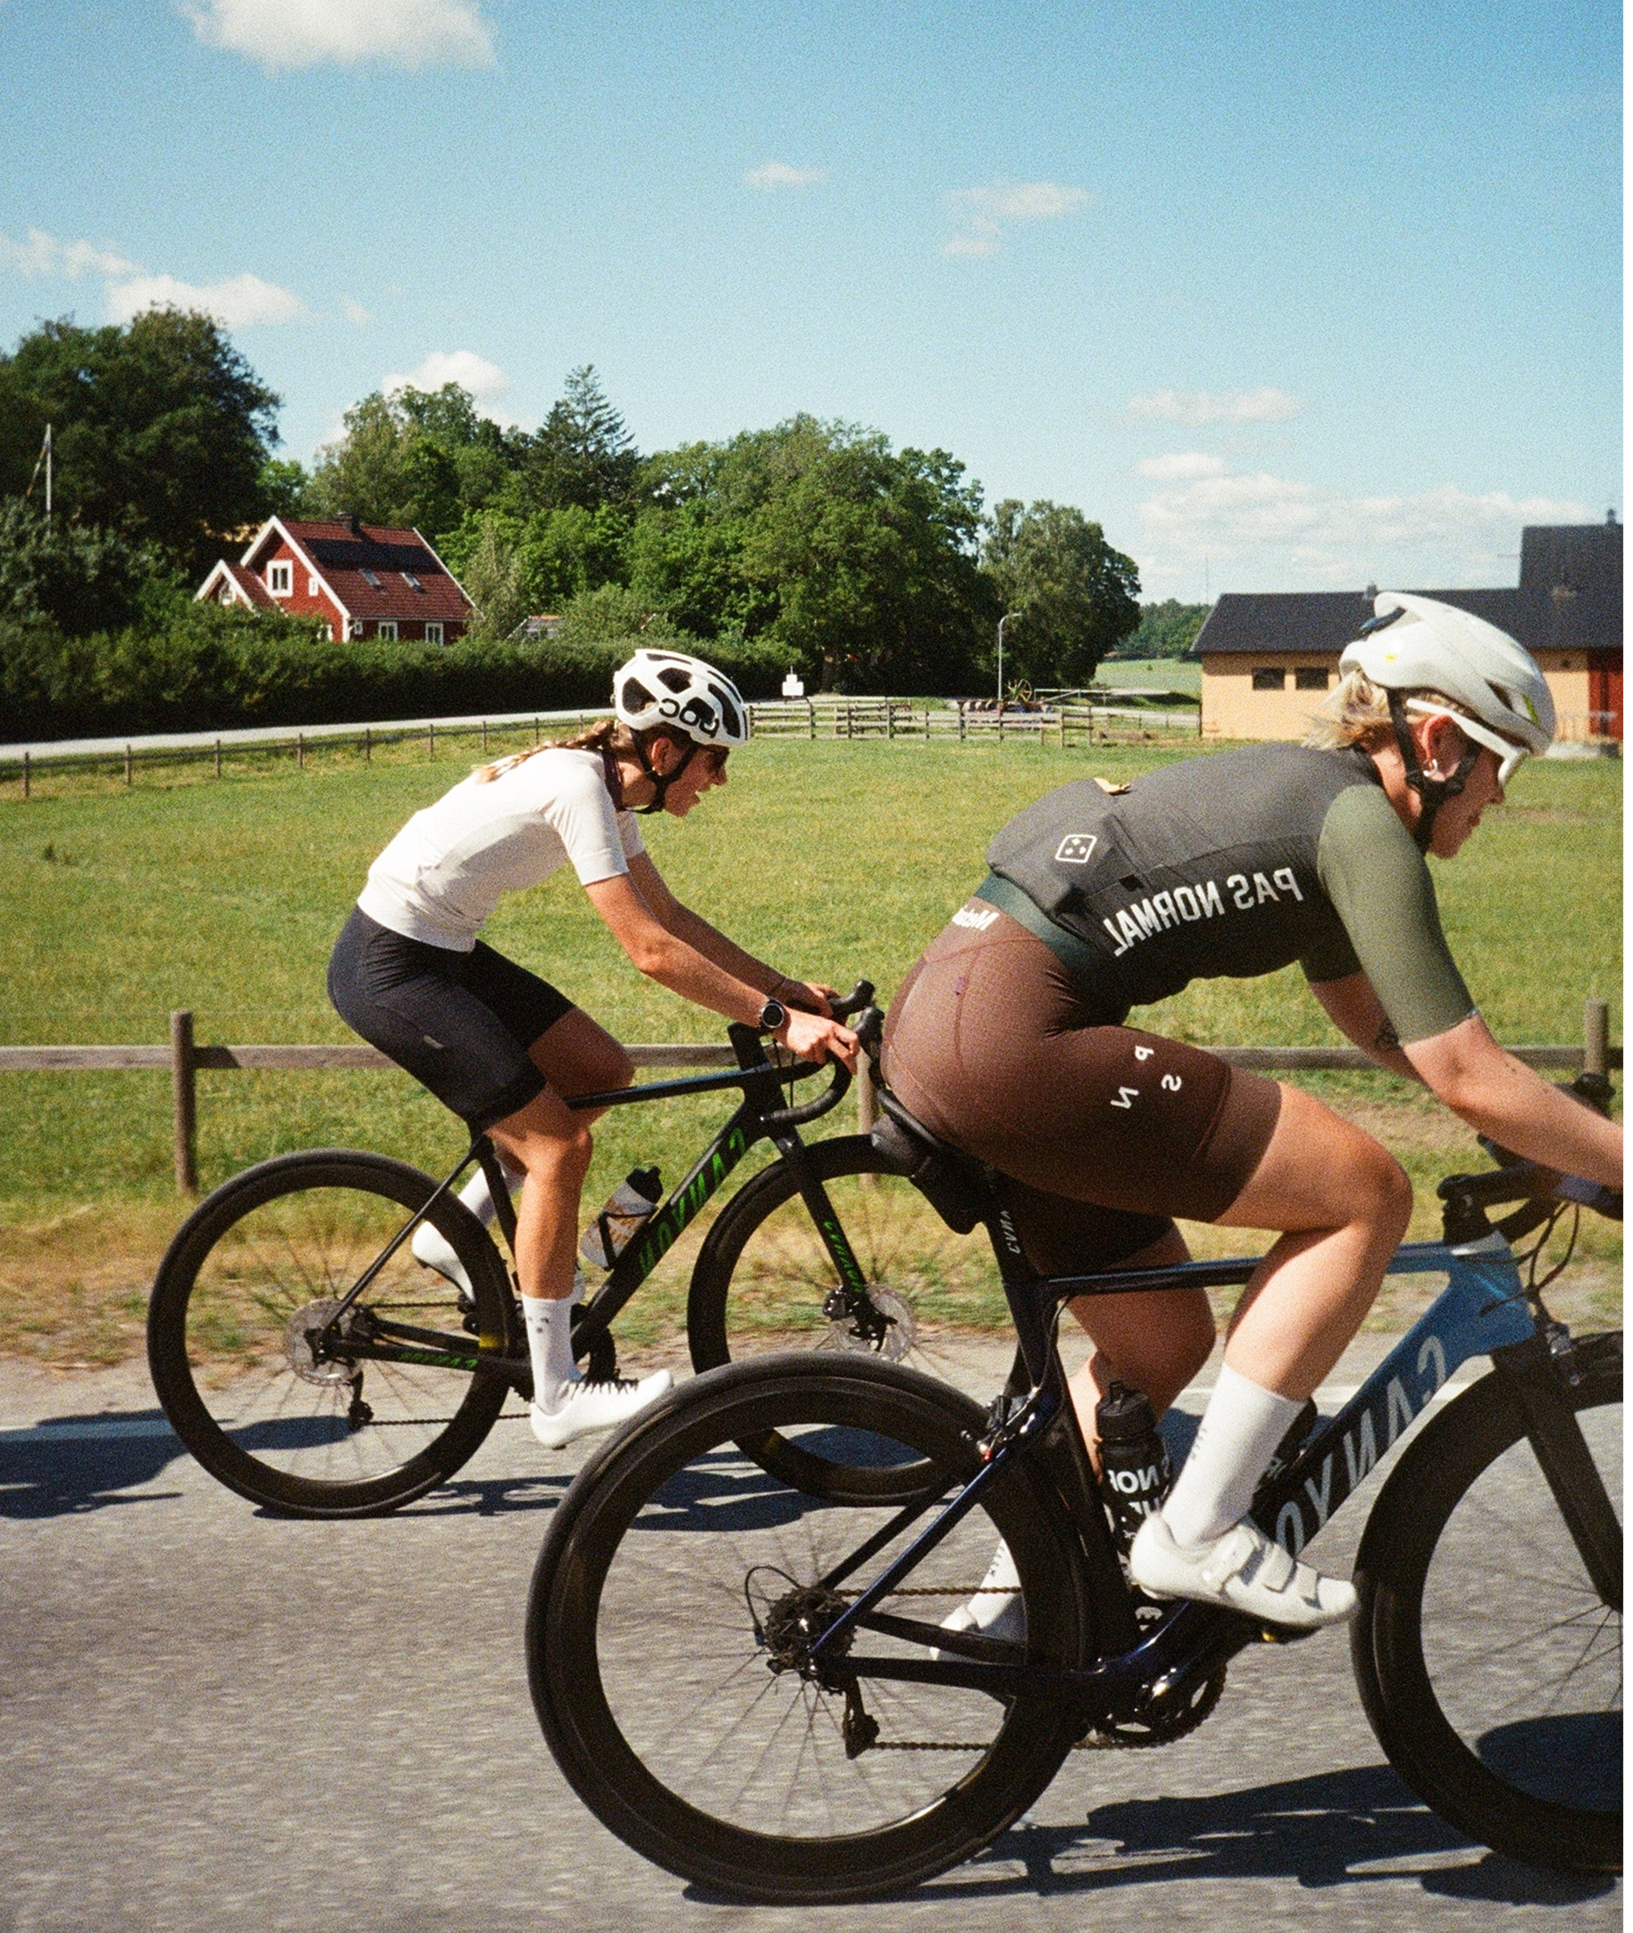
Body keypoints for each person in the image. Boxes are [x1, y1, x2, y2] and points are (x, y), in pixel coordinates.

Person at [883, 595, 1625, 1633]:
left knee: (1157, 1344)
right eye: (1504, 764)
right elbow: (1463, 1067)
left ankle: (1017, 1617)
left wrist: (1536, 1131)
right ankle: (1199, 1531)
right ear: (1440, 740)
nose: (1498, 798)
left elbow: (1383, 1030)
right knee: (1363, 1193)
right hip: (1014, 1040)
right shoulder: (1362, 824)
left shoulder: (1318, 803)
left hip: (950, 1019)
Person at [328, 649, 859, 1449]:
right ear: (664, 748)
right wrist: (779, 1022)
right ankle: (554, 1393)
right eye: (713, 761)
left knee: (601, 1070)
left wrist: (788, 992)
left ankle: (453, 1235)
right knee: (558, 1148)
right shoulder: (578, 785)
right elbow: (647, 949)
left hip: (439, 949)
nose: (717, 780)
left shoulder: (609, 792)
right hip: (390, 965)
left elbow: (672, 916)